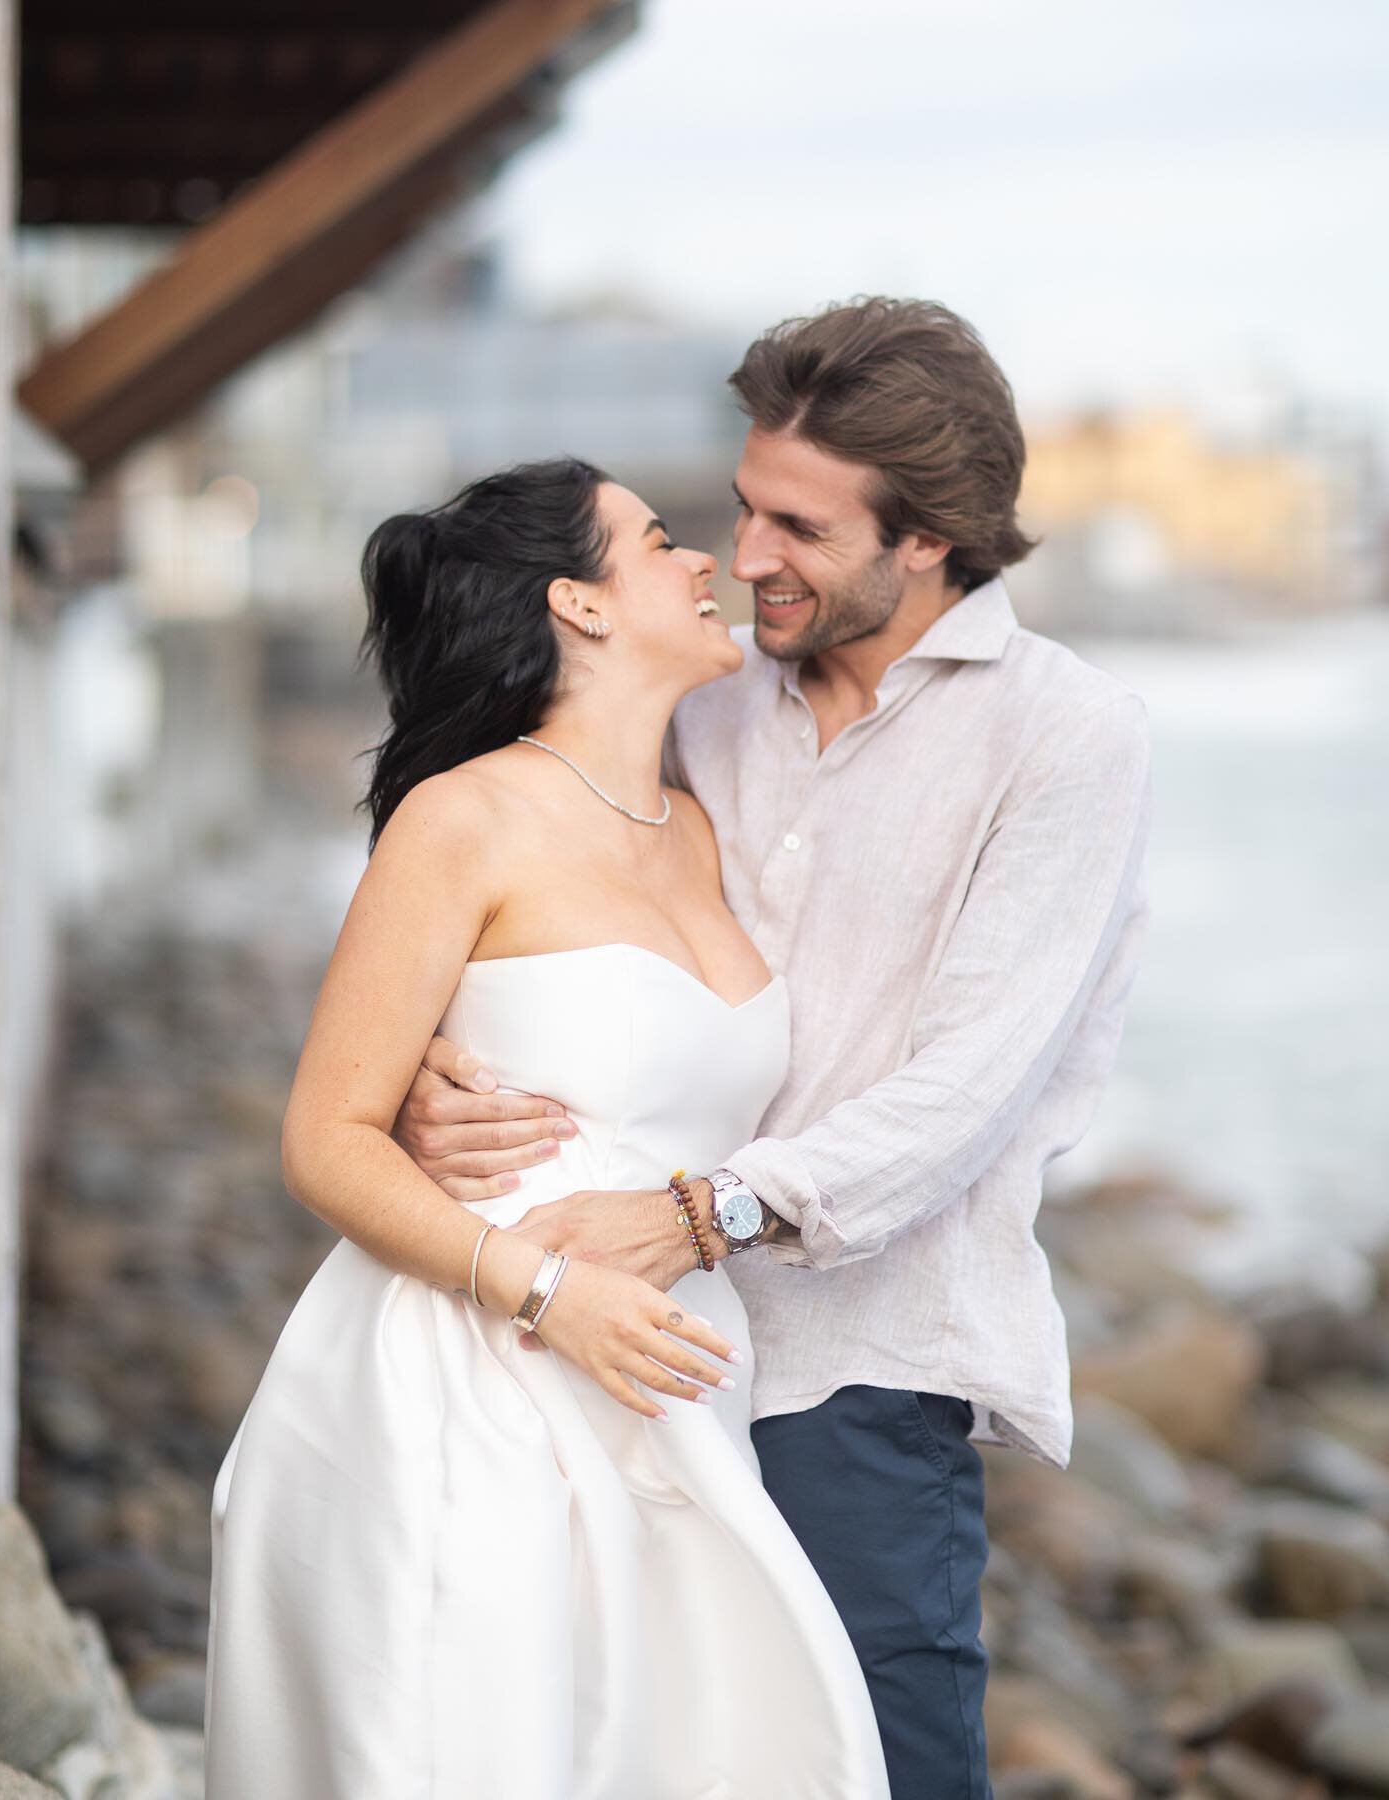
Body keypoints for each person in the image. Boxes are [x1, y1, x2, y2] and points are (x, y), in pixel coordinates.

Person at [398, 298, 1153, 1799]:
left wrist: (699, 1216)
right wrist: (430, 1047)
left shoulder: (1068, 739)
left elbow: (965, 1090)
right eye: (742, 509)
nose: (746, 558)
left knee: (881, 1763)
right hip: (619, 1344)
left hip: (857, 1365)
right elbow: (521, 856)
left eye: (795, 527)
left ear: (927, 536)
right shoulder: (713, 697)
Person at [203, 457, 890, 1798]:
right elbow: (325, 1135)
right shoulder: (461, 819)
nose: (705, 563)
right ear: (577, 605)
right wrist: (548, 1291)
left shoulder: (697, 828)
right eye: (655, 543)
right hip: (474, 1379)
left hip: (678, 1371)